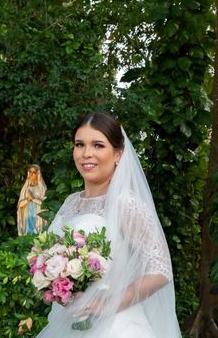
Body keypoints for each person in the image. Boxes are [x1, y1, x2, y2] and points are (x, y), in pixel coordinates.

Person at [36, 112, 181, 338]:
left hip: (117, 327)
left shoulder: (124, 203)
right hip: (69, 324)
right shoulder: (71, 203)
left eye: (98, 145)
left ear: (118, 154)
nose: (86, 154)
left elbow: (160, 270)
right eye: (79, 144)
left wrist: (107, 305)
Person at [17, 165, 47, 236]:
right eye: (30, 171)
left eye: (34, 172)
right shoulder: (25, 188)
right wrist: (28, 199)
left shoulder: (42, 188)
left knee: (38, 233)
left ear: (38, 173)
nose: (31, 174)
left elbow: (44, 205)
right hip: (27, 214)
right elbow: (20, 205)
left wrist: (33, 198)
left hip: (38, 214)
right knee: (28, 233)